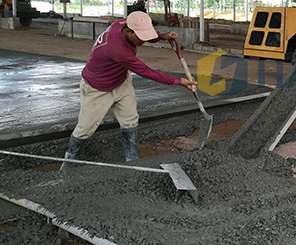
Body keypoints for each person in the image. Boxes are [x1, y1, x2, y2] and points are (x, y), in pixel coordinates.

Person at [60, 11, 196, 168]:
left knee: (130, 119)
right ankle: (68, 162)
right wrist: (178, 81)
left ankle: (132, 158)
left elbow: (145, 32)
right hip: (97, 88)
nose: (143, 41)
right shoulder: (118, 49)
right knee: (85, 128)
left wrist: (161, 36)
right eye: (140, 37)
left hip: (121, 81)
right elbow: (147, 72)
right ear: (129, 31)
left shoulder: (128, 22)